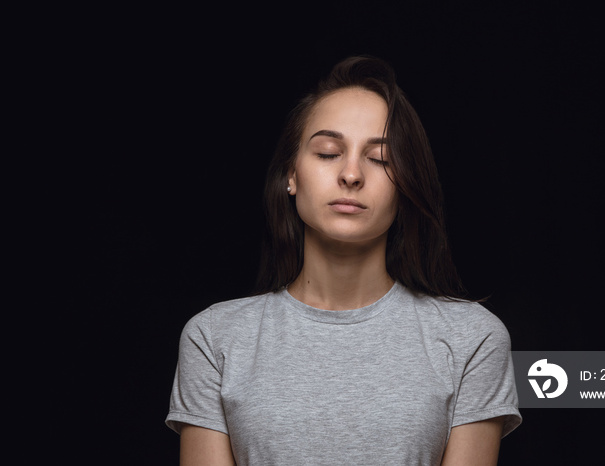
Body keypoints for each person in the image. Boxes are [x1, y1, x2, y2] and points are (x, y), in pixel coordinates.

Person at [166, 55, 521, 465]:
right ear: (291, 175)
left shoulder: (472, 339)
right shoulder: (214, 338)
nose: (351, 175)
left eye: (380, 159)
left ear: (406, 184)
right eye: (328, 152)